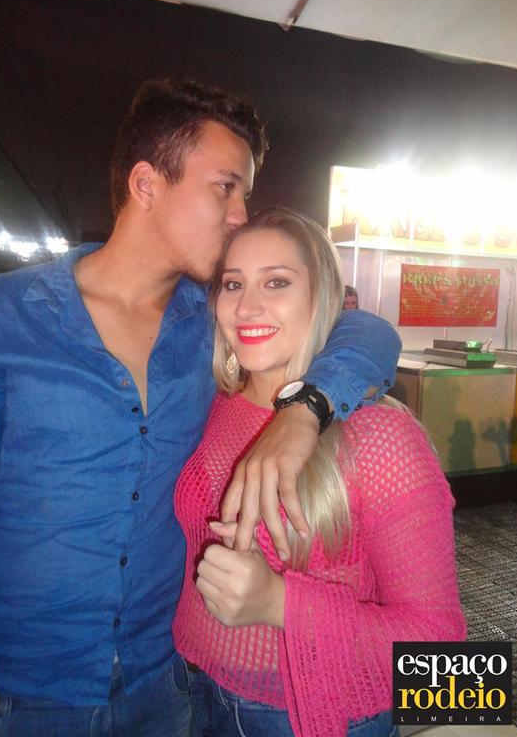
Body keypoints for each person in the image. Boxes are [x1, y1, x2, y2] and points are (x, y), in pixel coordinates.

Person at [0, 81, 401, 737]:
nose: (240, 215)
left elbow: (369, 332)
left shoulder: (211, 326)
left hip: (167, 687)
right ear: (147, 184)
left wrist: (304, 411)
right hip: (21, 696)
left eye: (245, 194)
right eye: (225, 188)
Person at [173, 208, 466, 737]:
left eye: (277, 282)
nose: (248, 306)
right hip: (190, 687)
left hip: (304, 713)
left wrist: (279, 603)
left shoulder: (381, 436)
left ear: (322, 297)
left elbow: (443, 654)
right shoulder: (216, 405)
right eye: (234, 284)